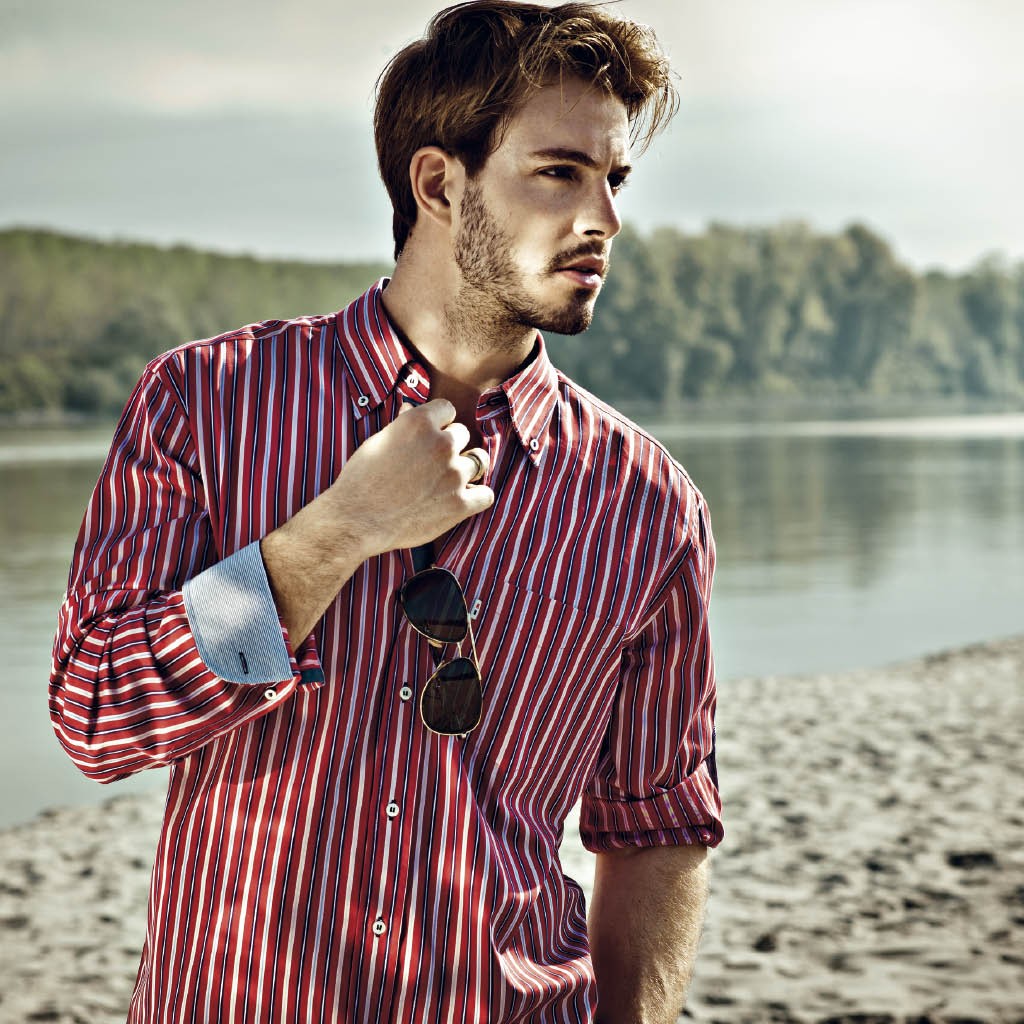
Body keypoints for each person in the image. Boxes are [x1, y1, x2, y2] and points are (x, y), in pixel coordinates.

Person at [50, 2, 722, 1021]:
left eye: (614, 180)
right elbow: (95, 714)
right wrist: (333, 535)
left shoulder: (649, 505)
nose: (605, 220)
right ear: (439, 184)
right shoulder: (208, 403)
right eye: (560, 172)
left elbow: (657, 828)